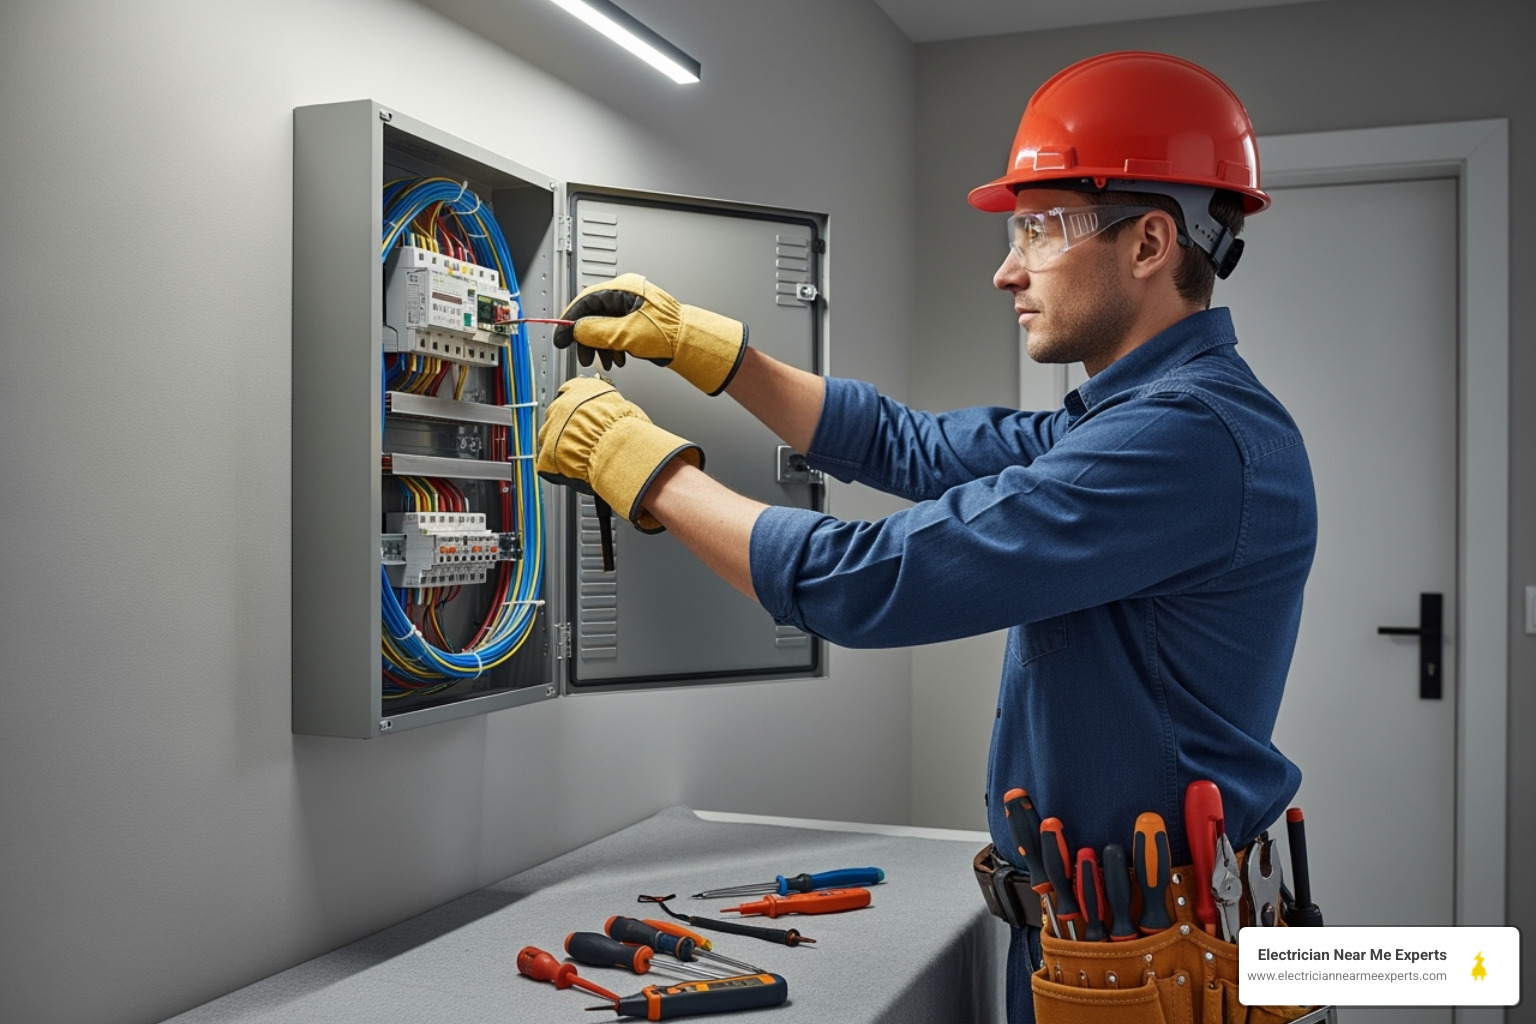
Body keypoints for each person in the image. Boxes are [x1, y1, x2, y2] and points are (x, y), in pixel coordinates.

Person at [537, 51, 1316, 1024]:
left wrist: (643, 466)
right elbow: (909, 443)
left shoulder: (1186, 440)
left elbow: (866, 579)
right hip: (1097, 943)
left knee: (1482, 973)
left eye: (1036, 227)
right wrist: (712, 351)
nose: (1006, 268)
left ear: (1150, 240)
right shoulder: (1126, 418)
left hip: (1161, 975)